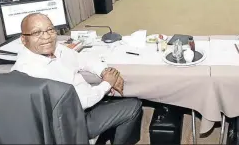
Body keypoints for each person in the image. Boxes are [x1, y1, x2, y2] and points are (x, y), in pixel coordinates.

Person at [11, 13, 142, 144]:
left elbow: (83, 59)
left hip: (84, 105)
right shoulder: (29, 71)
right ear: (24, 39)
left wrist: (104, 71)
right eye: (37, 32)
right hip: (71, 122)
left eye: (50, 30)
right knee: (133, 106)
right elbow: (79, 102)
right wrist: (107, 83)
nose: (46, 37)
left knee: (119, 101)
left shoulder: (55, 49)